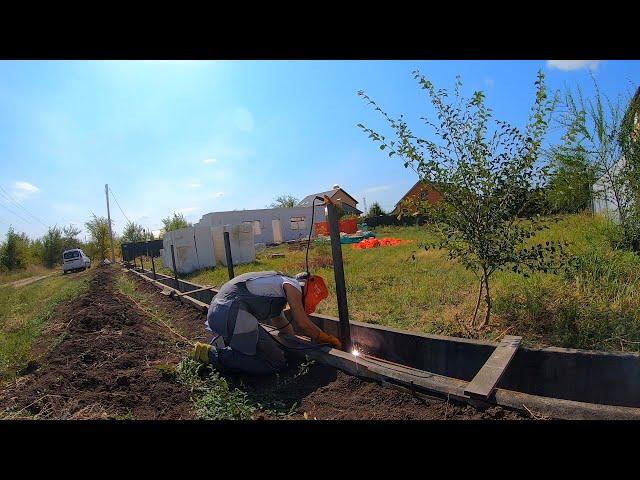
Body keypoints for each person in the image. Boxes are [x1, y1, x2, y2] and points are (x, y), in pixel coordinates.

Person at [191, 270, 341, 374]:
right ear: (306, 288)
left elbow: (280, 322)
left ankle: (223, 345)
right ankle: (211, 354)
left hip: (219, 312)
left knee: (266, 349)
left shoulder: (276, 284)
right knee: (275, 363)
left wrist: (294, 344)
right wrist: (324, 338)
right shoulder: (293, 285)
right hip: (232, 312)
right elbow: (302, 322)